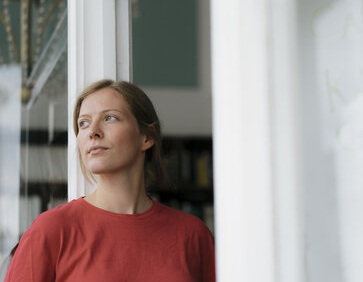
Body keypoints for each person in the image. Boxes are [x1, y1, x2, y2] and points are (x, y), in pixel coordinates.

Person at [5, 79, 215, 281]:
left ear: (147, 137)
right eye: (83, 123)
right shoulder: (51, 229)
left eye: (110, 118)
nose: (92, 132)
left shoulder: (193, 234)